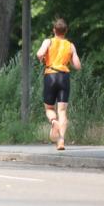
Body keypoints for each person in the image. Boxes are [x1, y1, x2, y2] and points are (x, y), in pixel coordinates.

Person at [37, 18, 82, 151]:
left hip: (50, 75)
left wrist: (43, 58)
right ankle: (61, 140)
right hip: (64, 77)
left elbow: (39, 53)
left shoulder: (48, 41)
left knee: (49, 108)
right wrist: (69, 62)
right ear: (65, 31)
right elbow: (78, 66)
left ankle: (53, 122)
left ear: (54, 30)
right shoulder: (70, 45)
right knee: (62, 111)